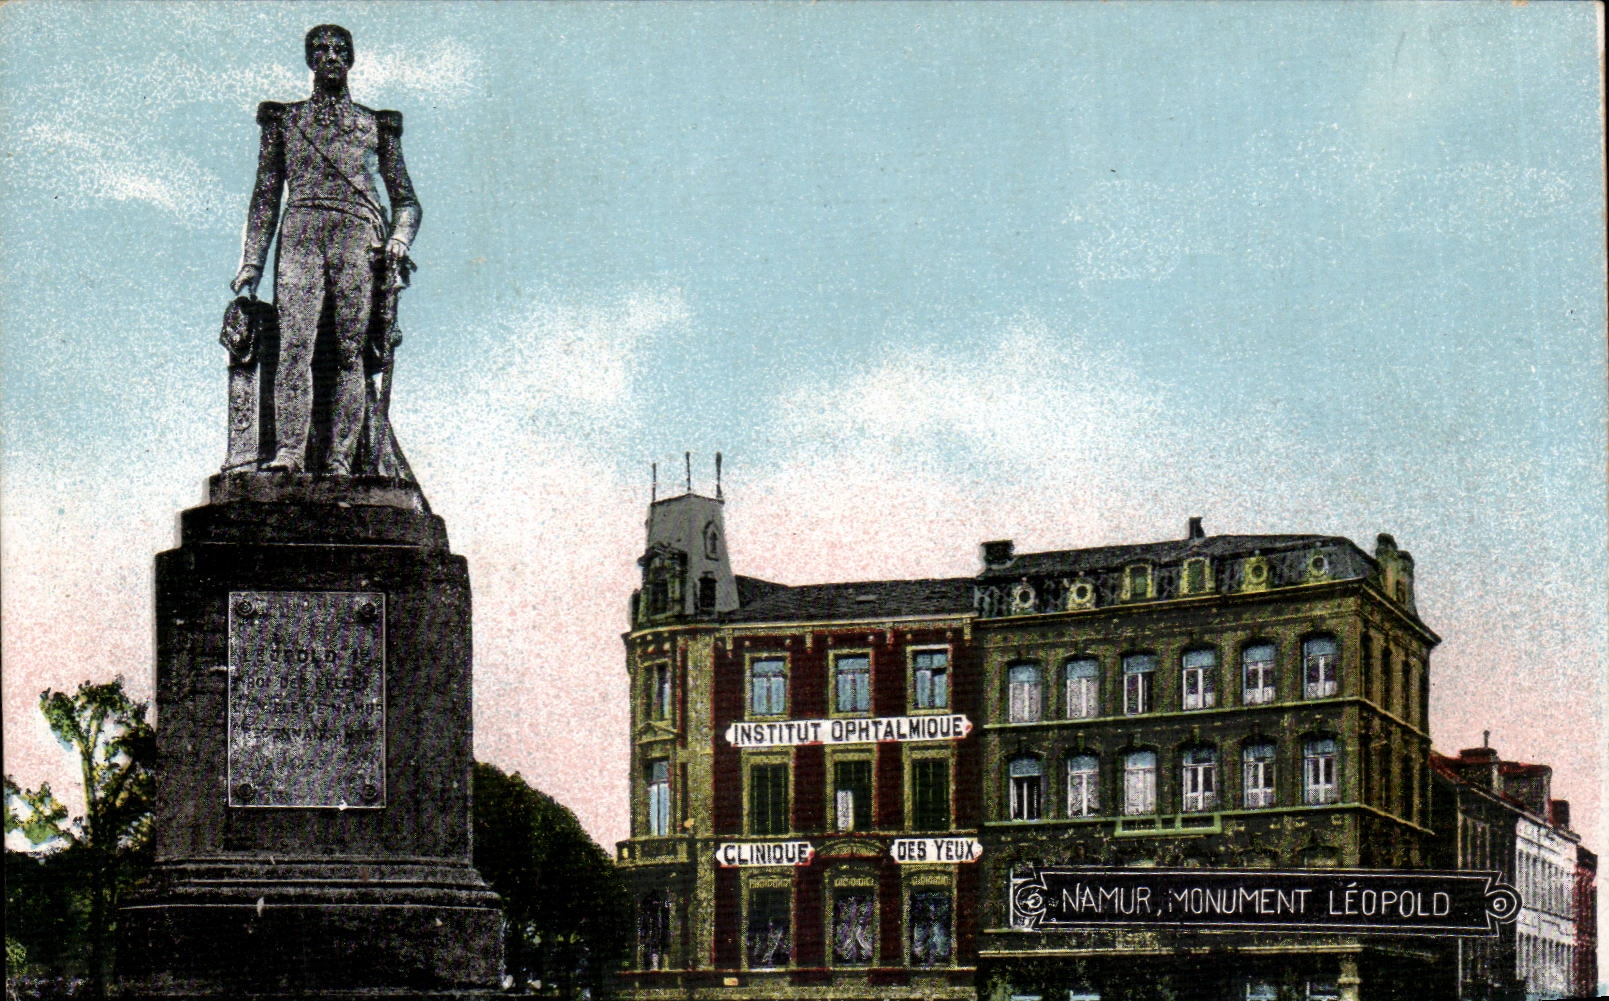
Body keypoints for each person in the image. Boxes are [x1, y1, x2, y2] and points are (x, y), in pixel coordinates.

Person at [230, 24, 421, 475]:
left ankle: (339, 462)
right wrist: (251, 263)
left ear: (350, 59)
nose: (331, 56)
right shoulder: (285, 120)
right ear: (310, 60)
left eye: (340, 49)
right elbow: (265, 195)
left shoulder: (376, 125)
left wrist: (397, 239)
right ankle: (290, 454)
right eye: (321, 49)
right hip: (300, 230)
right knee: (294, 345)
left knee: (350, 351)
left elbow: (407, 203)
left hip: (357, 235)